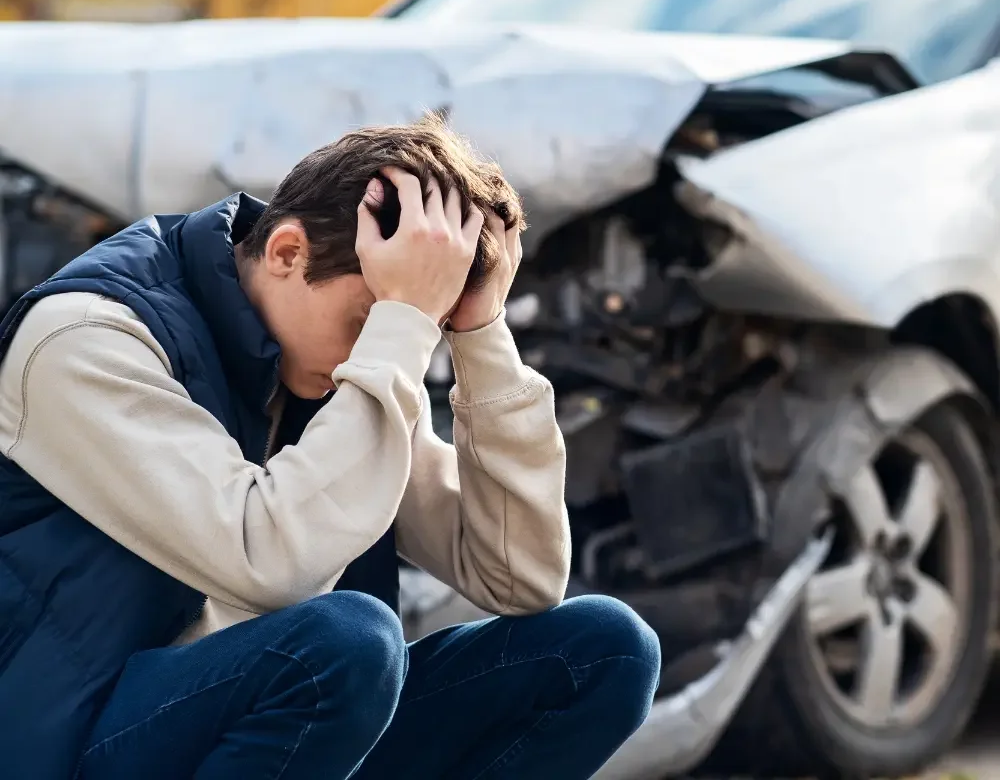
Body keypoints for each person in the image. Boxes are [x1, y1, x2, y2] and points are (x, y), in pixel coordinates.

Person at [0, 115, 660, 779]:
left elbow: (519, 578)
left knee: (601, 650)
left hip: (268, 731)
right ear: (287, 252)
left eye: (417, 326)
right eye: (370, 319)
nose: (385, 346)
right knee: (343, 645)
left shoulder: (340, 363)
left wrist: (480, 333)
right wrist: (400, 326)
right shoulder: (84, 338)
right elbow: (271, 564)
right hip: (70, 738)